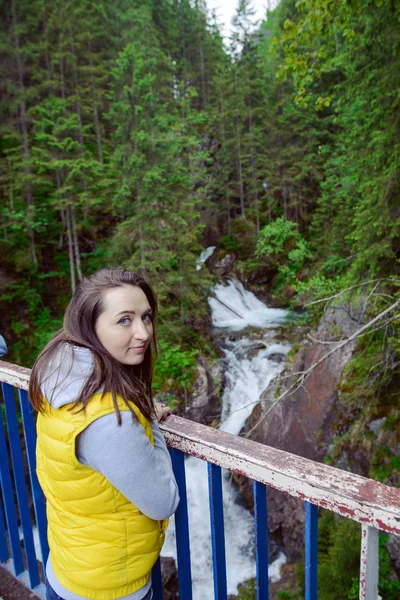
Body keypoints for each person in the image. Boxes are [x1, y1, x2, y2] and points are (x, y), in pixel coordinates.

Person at [29, 269, 180, 600]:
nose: (142, 332)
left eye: (146, 317)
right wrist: (148, 417)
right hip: (109, 589)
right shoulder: (110, 419)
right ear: (91, 327)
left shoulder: (60, 376)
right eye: (124, 320)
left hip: (69, 568)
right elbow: (163, 501)